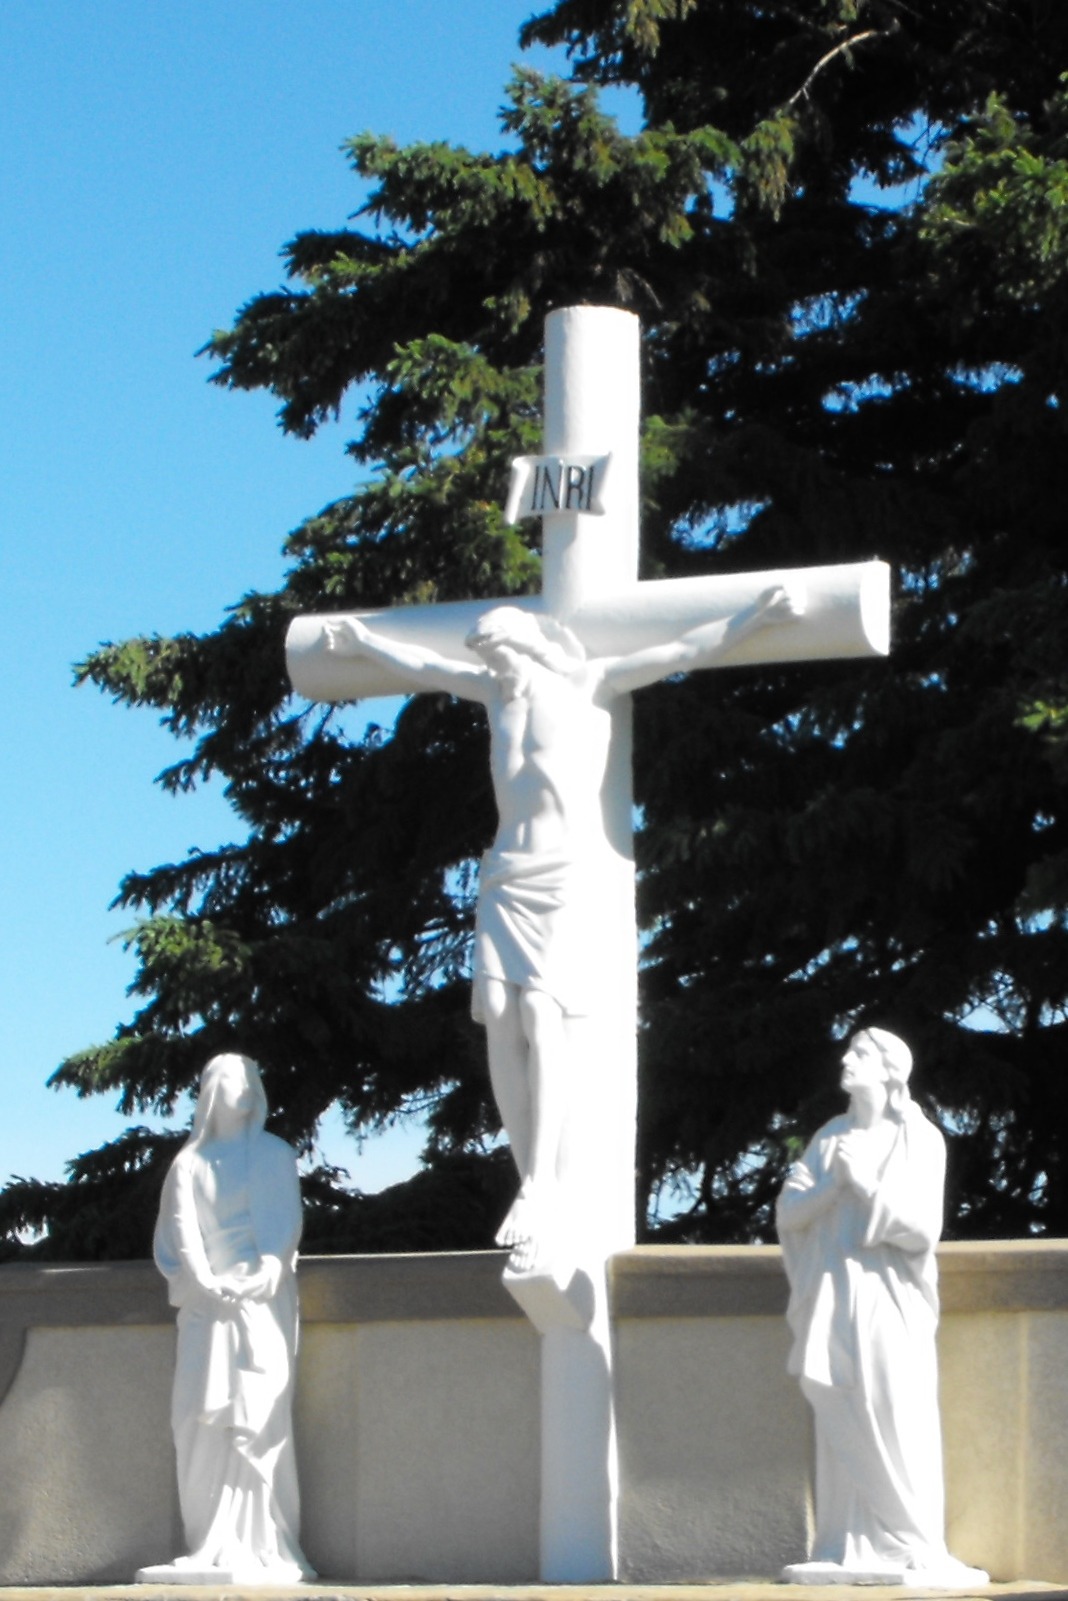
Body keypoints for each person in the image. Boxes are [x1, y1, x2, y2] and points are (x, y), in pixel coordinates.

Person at [325, 585, 804, 1273]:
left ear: (527, 644)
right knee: (497, 1012)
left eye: (500, 655)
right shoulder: (496, 695)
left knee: (543, 1010)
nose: (496, 669)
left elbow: (679, 649)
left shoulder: (585, 681)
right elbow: (425, 668)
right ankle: (530, 1172)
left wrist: (752, 617)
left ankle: (543, 1180)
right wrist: (364, 641)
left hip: (564, 872)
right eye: (487, 659)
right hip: (505, 873)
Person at [777, 1029, 985, 1585]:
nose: (846, 1060)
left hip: (890, 1296)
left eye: (861, 1054)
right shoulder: (829, 1138)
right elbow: (789, 1213)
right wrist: (834, 1189)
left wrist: (864, 1186)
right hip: (833, 1291)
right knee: (832, 1390)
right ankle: (846, 1544)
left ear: (892, 1071)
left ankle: (915, 1541)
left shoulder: (920, 1139)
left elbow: (920, 1229)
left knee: (893, 1409)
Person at [144, 1052, 314, 1583]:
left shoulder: (274, 1154)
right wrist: (206, 1283)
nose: (239, 1094)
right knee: (198, 1417)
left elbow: (284, 1222)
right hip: (205, 1308)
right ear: (210, 1093)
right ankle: (209, 1545)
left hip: (261, 1304)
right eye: (227, 1084)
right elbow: (180, 1231)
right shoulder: (188, 1164)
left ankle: (265, 1542)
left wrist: (262, 1272)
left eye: (248, 1085)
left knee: (258, 1413)